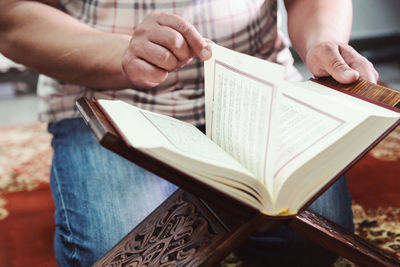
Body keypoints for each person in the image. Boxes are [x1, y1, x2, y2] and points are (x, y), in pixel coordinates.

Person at [0, 0, 378, 266]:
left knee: (309, 246)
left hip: (255, 90)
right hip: (111, 103)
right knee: (122, 256)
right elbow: (12, 16)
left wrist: (322, 41)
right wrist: (122, 53)